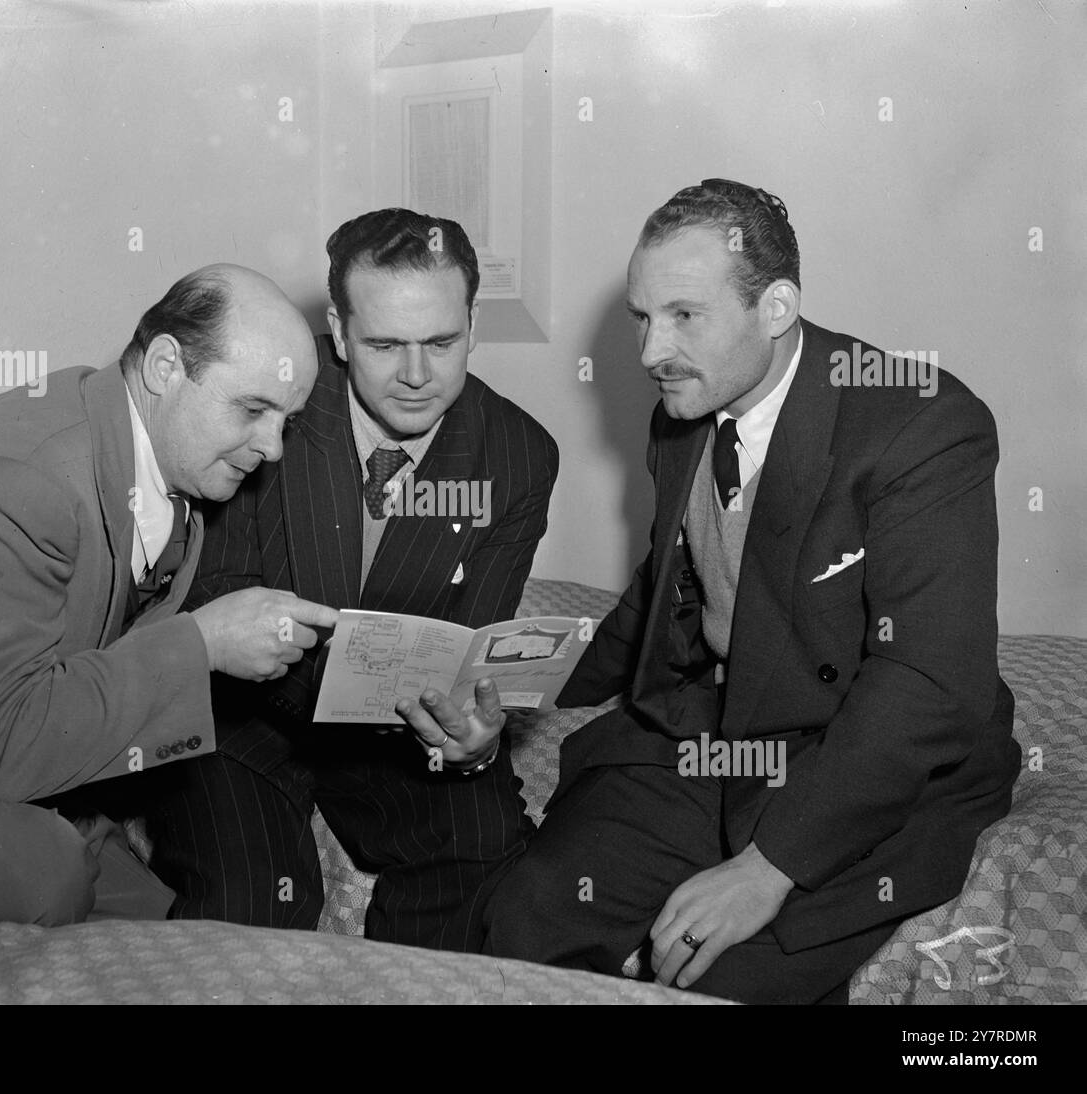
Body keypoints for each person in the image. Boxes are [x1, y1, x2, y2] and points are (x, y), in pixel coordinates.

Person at [402, 179, 1020, 1003]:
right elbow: (670, 594)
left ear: (775, 308)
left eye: (684, 316)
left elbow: (927, 686)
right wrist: (501, 680)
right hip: (716, 735)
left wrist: (768, 869)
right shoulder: (684, 414)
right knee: (528, 917)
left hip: (865, 760)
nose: (652, 350)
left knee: (722, 972)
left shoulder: (922, 424)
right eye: (641, 317)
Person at [0, 264, 337, 934]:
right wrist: (202, 647)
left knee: (168, 929)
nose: (272, 447)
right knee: (45, 877)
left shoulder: (171, 485)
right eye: (252, 409)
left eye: (287, 420)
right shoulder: (14, 479)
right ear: (165, 365)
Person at [146, 208, 559, 951]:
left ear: (474, 325)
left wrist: (476, 741)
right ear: (336, 332)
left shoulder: (521, 454)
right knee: (252, 906)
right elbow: (207, 588)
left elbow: (472, 646)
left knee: (492, 863)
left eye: (442, 342)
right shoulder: (268, 397)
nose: (415, 375)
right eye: (382, 344)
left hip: (401, 736)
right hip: (245, 717)